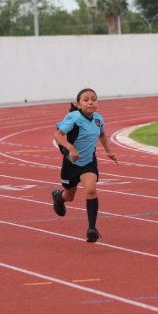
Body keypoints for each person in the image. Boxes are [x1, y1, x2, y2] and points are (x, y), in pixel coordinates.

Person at [51, 88, 118, 243]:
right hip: (71, 163)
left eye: (93, 99)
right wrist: (71, 149)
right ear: (78, 104)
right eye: (86, 99)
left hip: (88, 162)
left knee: (91, 190)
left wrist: (109, 151)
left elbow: (101, 134)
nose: (90, 102)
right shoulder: (73, 118)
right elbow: (57, 135)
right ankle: (58, 197)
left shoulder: (99, 119)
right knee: (69, 196)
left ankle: (92, 229)